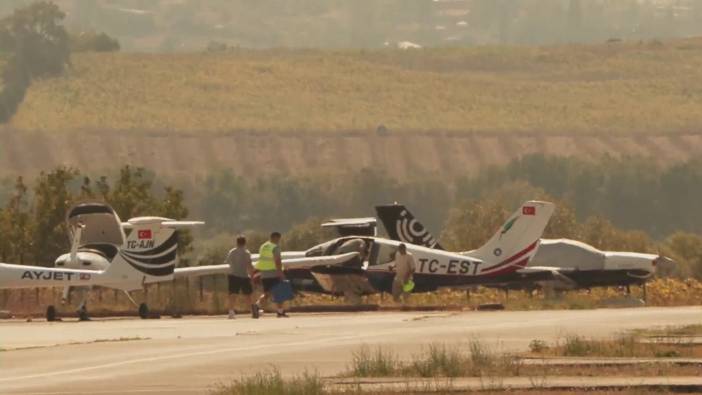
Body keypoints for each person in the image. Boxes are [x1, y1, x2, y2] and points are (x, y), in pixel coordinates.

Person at [254, 232, 289, 318]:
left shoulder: (263, 246)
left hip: (264, 273)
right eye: (278, 239)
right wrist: (281, 273)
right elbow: (277, 261)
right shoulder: (275, 247)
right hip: (274, 272)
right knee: (279, 292)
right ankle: (280, 311)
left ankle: (257, 305)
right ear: (276, 238)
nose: (279, 241)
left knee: (267, 293)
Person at [226, 235, 255, 319]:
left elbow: (229, 262)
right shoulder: (247, 252)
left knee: (233, 294)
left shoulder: (232, 252)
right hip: (244, 275)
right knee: (248, 295)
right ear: (245, 243)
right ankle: (252, 311)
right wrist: (252, 276)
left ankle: (231, 312)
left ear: (237, 242)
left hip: (233, 275)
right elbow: (249, 265)